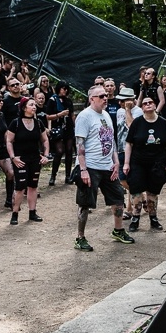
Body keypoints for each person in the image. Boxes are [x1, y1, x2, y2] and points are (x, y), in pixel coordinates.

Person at [72, 84, 133, 251]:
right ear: (92, 99)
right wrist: (83, 170)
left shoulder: (106, 115)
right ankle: (80, 238)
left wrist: (116, 162)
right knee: (85, 203)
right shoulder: (84, 116)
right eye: (101, 96)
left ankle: (118, 230)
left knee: (118, 199)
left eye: (106, 95)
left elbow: (111, 140)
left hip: (108, 166)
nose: (105, 98)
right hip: (90, 166)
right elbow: (80, 145)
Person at [123, 94, 166, 233]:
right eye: (145, 103)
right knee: (136, 191)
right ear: (142, 108)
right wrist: (126, 163)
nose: (148, 104)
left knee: (153, 192)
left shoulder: (163, 123)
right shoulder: (137, 123)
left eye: (150, 102)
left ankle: (153, 218)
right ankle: (135, 219)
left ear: (155, 105)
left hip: (157, 162)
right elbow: (129, 143)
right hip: (138, 162)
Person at [5, 96, 49, 225]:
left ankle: (32, 212)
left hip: (35, 159)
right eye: (31, 105)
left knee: (33, 186)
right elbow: (9, 141)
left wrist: (46, 155)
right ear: (24, 108)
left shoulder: (38, 123)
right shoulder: (16, 123)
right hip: (21, 160)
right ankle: (15, 213)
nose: (34, 107)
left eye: (35, 105)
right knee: (20, 188)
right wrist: (13, 157)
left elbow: (45, 140)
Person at [47, 81, 75, 186]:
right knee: (59, 151)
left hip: (68, 127)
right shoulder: (52, 100)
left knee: (69, 150)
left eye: (66, 89)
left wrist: (75, 126)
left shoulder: (68, 101)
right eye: (63, 88)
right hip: (57, 127)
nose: (65, 91)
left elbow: (72, 115)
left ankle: (68, 176)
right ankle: (53, 175)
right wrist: (59, 114)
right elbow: (48, 116)